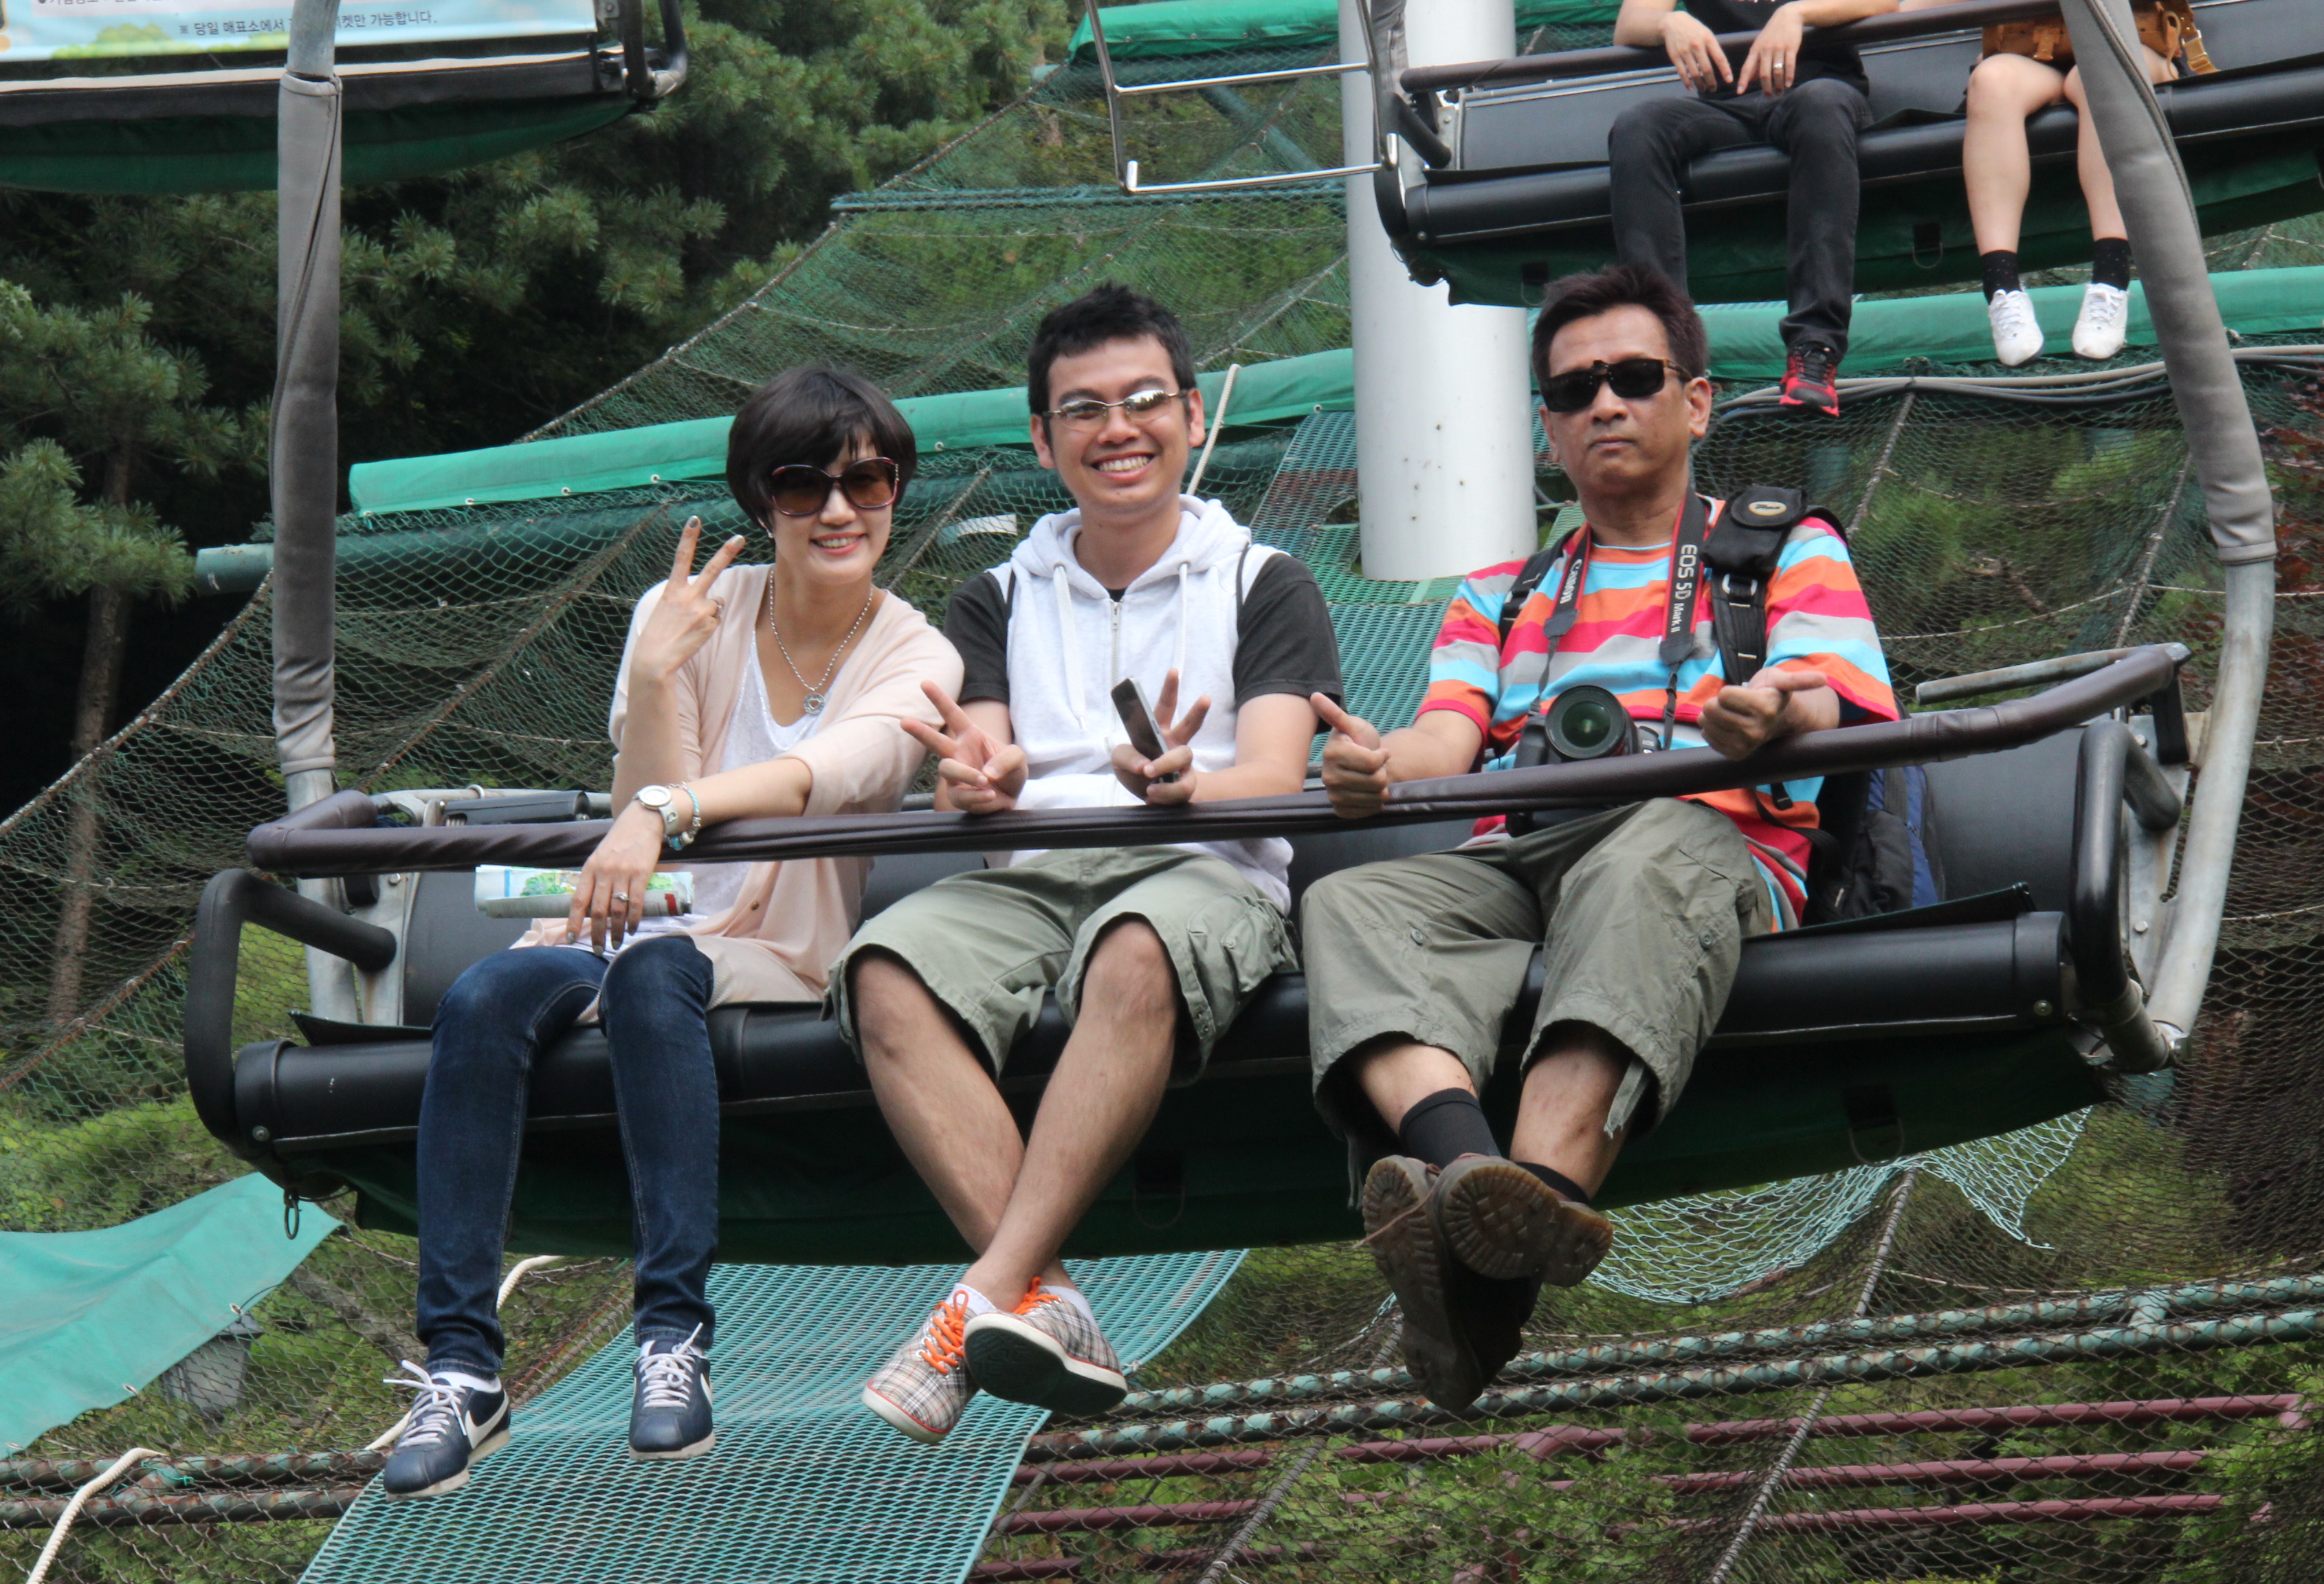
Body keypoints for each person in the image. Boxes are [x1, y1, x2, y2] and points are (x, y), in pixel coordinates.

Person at [1296, 265, 1897, 1410]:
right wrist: (1375, 763)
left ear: (1697, 401)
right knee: (1350, 902)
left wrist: (1768, 713)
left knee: (1646, 853)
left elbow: (1831, 694)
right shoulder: (1505, 587)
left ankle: (1506, 1222)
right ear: (1549, 428)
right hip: (1521, 854)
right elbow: (1444, 737)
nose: (1605, 404)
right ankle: (1478, 1184)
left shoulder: (1781, 547)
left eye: (1633, 377)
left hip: (1703, 840)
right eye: (1575, 390)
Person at [383, 367, 962, 1498]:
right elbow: (642, 807)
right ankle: (461, 1365)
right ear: (761, 498)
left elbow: (832, 770)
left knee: (658, 971)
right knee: (482, 999)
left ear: (895, 492)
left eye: (867, 481)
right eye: (802, 485)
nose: (838, 510)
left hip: (771, 946)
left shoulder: (918, 655)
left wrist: (664, 811)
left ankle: (672, 1336)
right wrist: (654, 676)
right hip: (628, 917)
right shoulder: (686, 611)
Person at [831, 283, 1344, 1446]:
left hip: (1200, 865)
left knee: (1136, 946)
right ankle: (1044, 1297)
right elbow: (982, 758)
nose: (1119, 428)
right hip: (1032, 876)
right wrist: (979, 781)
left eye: (1145, 400)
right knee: (885, 969)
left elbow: (1274, 773)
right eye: (1085, 409)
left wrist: (1186, 786)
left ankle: (974, 1301)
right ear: (1042, 437)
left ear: (1193, 416)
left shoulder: (1264, 582)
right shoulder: (996, 597)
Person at [1608, 0, 1903, 416]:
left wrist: (1797, 14)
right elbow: (1630, 25)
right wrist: (1670, 22)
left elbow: (1884, 2)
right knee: (1637, 127)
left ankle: (1814, 346)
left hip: (1817, 90)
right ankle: (1665, 348)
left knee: (1821, 107)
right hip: (1726, 102)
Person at [1903, 0, 2185, 364]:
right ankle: (2002, 288)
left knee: (2099, 73)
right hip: (2037, 52)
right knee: (1991, 80)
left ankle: (2111, 279)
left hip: (2130, 47)